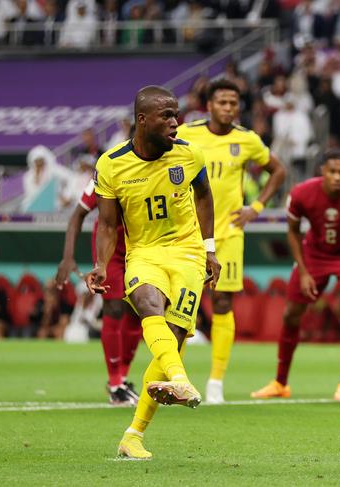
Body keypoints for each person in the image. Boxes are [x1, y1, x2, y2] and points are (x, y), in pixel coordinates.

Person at [84, 85, 221, 460]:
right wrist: (100, 264)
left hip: (188, 254)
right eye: (167, 116)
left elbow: (205, 196)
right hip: (144, 253)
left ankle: (133, 436)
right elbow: (109, 225)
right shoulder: (111, 164)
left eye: (176, 115)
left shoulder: (189, 155)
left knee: (171, 341)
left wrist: (210, 249)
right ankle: (180, 381)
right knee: (146, 302)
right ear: (142, 120)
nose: (176, 123)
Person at [176, 79, 285, 404]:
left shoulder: (247, 139)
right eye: (221, 102)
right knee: (181, 306)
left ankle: (216, 383)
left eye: (233, 103)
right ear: (208, 105)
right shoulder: (186, 133)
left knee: (223, 304)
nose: (227, 108)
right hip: (189, 233)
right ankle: (173, 376)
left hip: (229, 234)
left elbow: (277, 171)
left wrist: (256, 208)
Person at [251, 150, 340, 401]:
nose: (337, 177)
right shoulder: (301, 193)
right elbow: (293, 232)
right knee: (291, 313)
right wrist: (304, 271)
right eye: (332, 171)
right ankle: (280, 383)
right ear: (322, 171)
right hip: (313, 255)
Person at [56, 178, 143, 406]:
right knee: (114, 307)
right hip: (109, 248)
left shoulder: (153, 166)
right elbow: (77, 215)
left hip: (142, 245)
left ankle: (122, 378)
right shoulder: (107, 171)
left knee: (138, 309)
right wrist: (67, 256)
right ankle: (115, 384)